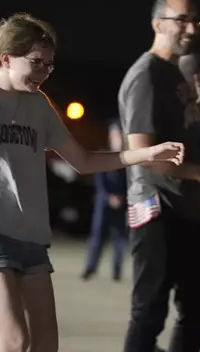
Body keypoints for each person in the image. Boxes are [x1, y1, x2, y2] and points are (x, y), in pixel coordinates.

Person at [0, 13, 184, 352]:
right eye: (36, 63)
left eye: (49, 67)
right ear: (6, 58)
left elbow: (84, 161)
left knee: (47, 343)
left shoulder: (39, 106)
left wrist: (147, 153)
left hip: (31, 234)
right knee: (15, 339)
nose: (43, 73)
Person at [118, 0, 200, 352]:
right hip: (155, 207)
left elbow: (182, 134)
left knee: (197, 309)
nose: (192, 28)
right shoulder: (145, 75)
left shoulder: (174, 73)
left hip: (186, 209)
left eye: (196, 20)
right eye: (181, 20)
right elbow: (141, 152)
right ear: (157, 23)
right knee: (149, 311)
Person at [81, 119, 128, 282]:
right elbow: (99, 179)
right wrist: (109, 196)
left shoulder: (129, 157)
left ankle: (117, 272)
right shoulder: (103, 154)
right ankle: (90, 268)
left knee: (120, 239)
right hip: (104, 202)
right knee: (98, 236)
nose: (119, 138)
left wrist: (123, 197)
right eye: (116, 135)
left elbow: (131, 181)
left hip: (122, 204)